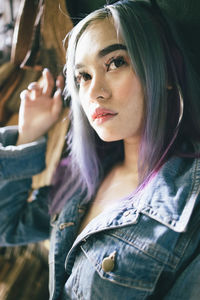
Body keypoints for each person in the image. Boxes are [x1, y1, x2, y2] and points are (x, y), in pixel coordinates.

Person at [0, 0, 200, 299]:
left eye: (116, 62)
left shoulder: (191, 204)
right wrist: (28, 134)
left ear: (167, 72)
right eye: (83, 76)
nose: (94, 92)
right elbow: (8, 227)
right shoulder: (79, 178)